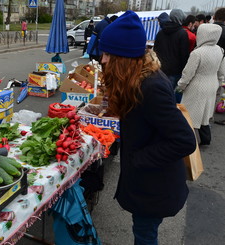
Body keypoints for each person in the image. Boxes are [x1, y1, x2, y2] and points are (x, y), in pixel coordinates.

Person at [98, 10, 196, 245]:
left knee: (144, 234)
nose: (102, 59)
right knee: (143, 231)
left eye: (107, 54)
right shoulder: (139, 80)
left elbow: (184, 140)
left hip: (155, 186)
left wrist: (139, 159)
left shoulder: (150, 88)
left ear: (122, 57)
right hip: (149, 182)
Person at [176, 24, 225, 144]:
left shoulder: (197, 53)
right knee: (205, 114)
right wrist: (219, 83)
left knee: (190, 114)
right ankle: (205, 138)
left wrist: (181, 86)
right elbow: (222, 71)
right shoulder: (220, 50)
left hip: (197, 86)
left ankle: (187, 141)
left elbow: (188, 73)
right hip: (212, 84)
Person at [154, 9, 190, 103]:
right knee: (173, 97)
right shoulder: (182, 33)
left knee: (160, 95)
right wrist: (184, 71)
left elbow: (155, 51)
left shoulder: (160, 33)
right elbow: (184, 55)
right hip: (176, 71)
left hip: (160, 70)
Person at [213, 8, 225, 126]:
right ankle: (209, 115)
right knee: (217, 91)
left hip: (207, 64)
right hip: (221, 64)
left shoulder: (208, 29)